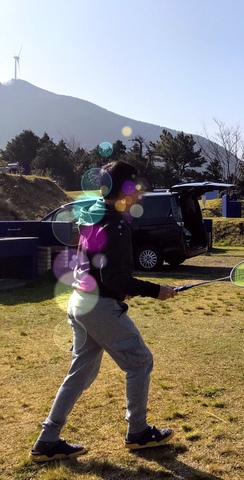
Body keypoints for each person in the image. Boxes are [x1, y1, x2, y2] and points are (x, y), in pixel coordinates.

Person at [30, 161, 178, 462]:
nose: (141, 193)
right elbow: (112, 276)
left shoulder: (93, 214)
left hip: (79, 301)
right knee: (140, 361)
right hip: (98, 307)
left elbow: (95, 268)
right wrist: (155, 290)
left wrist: (120, 288)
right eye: (137, 187)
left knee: (80, 373)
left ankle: (47, 441)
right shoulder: (117, 225)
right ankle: (138, 432)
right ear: (126, 189)